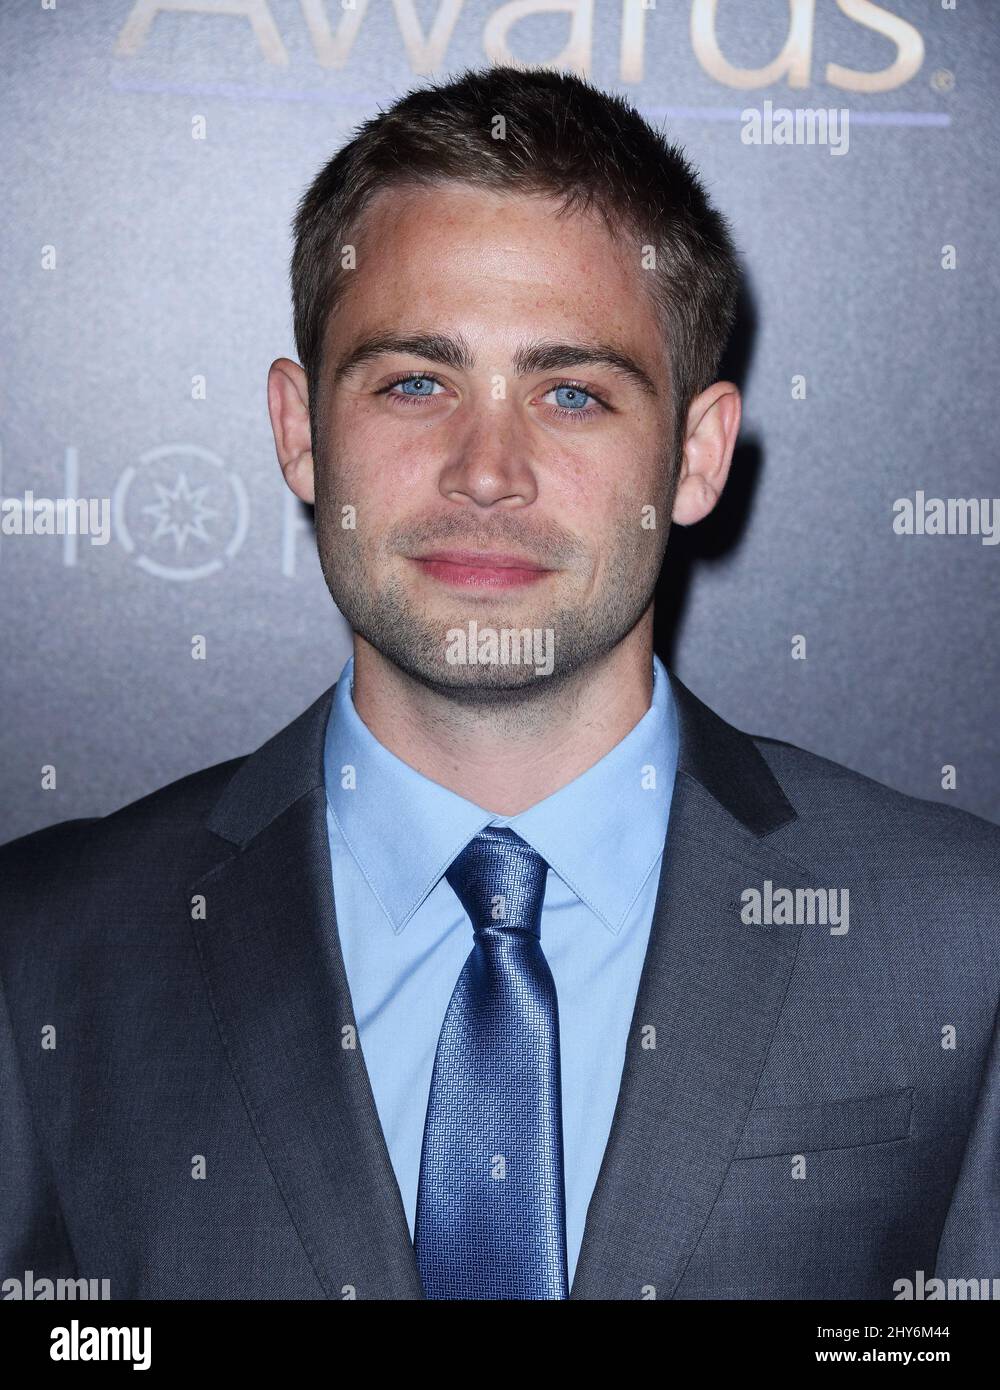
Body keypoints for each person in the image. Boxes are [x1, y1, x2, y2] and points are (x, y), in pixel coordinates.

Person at [2, 64, 997, 1303]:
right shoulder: (40, 950)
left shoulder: (963, 940)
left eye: (571, 392)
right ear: (302, 431)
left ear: (695, 456)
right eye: (416, 382)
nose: (486, 470)